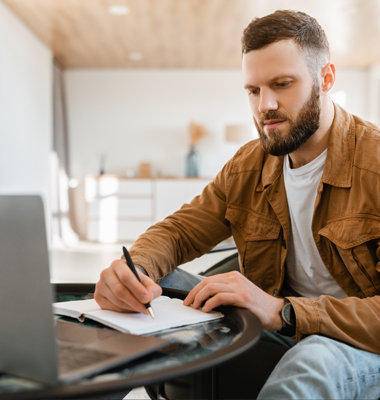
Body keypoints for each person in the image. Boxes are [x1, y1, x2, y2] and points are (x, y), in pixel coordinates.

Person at [94, 10, 380, 399]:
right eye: (253, 90)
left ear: (326, 78)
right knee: (143, 289)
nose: (265, 105)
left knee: (314, 359)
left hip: (353, 342)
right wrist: (135, 270)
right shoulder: (249, 164)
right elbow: (179, 232)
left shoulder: (374, 164)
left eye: (282, 84)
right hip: (274, 327)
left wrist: (284, 310)